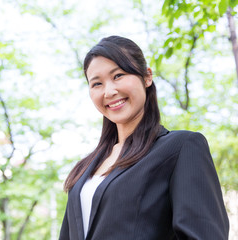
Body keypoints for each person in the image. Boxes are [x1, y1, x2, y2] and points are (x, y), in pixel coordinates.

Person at [59, 36, 229, 240]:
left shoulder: (181, 147)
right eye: (97, 84)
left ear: (147, 77)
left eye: (118, 75)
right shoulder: (85, 169)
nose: (109, 91)